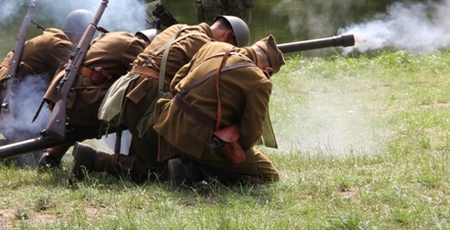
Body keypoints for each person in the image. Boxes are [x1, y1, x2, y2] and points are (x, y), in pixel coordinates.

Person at [69, 15, 250, 183]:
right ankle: (94, 159)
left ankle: (131, 155)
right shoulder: (206, 45)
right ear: (227, 36)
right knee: (156, 170)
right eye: (231, 47)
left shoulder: (178, 28)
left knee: (152, 153)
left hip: (129, 92)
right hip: (148, 98)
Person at [154, 34, 285, 187]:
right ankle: (193, 170)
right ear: (267, 70)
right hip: (197, 140)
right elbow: (250, 135)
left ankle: (190, 161)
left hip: (168, 125)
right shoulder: (259, 81)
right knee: (268, 174)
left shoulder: (212, 46)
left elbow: (175, 83)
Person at [0, 9, 93, 154]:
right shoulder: (61, 46)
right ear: (76, 36)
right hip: (3, 100)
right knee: (31, 153)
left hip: (6, 96)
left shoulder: (54, 39)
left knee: (37, 147)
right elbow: (77, 80)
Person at [37, 29, 154, 170]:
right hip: (82, 101)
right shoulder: (134, 45)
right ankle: (137, 163)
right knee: (138, 101)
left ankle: (51, 155)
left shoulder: (111, 37)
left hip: (65, 97)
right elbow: (143, 80)